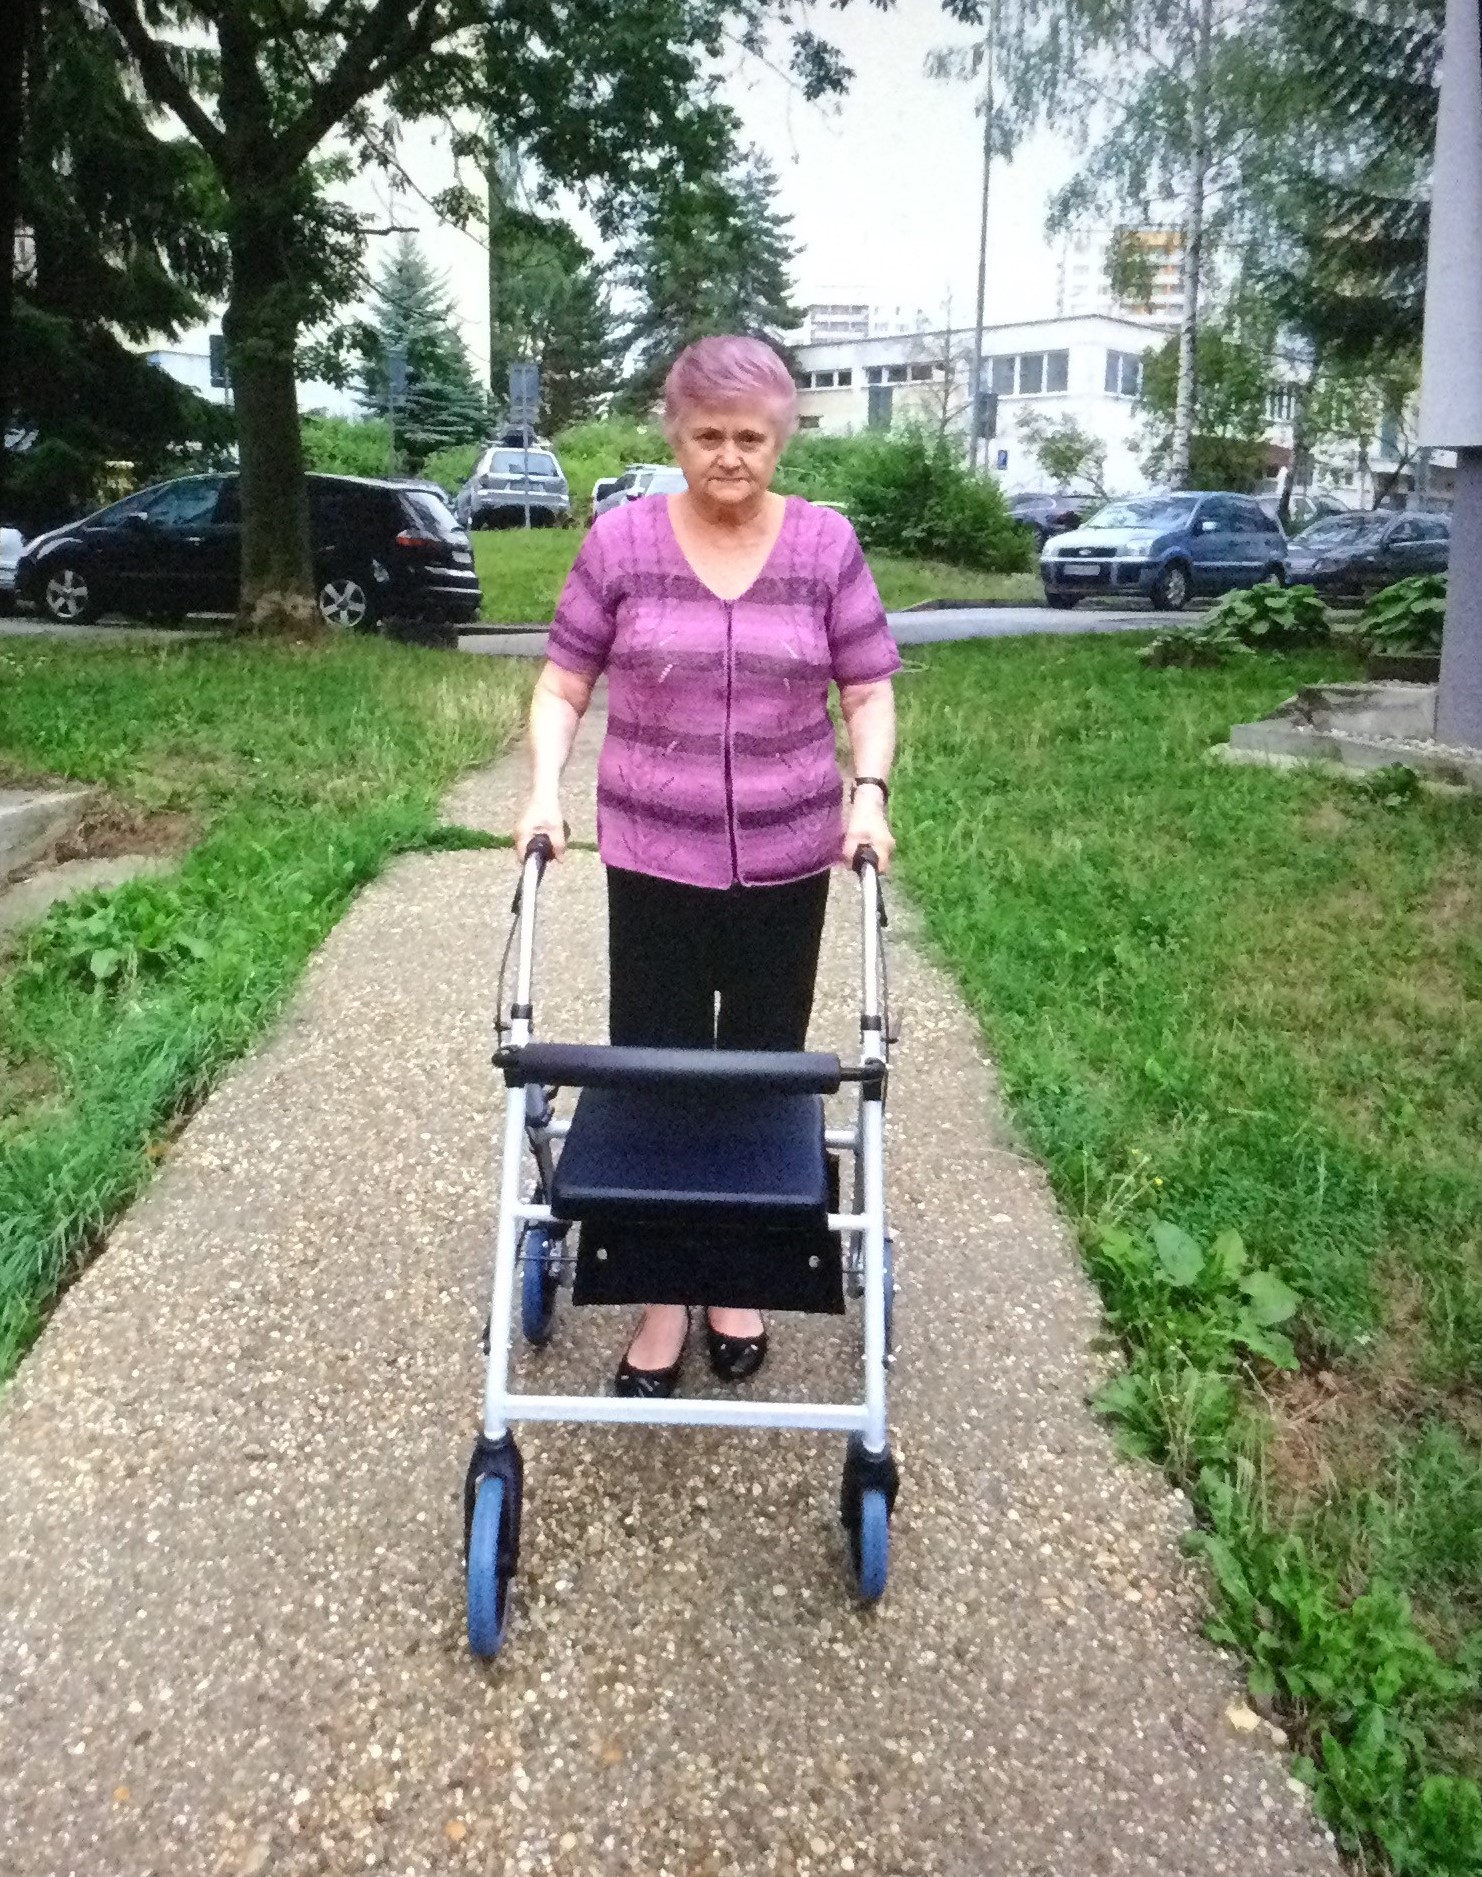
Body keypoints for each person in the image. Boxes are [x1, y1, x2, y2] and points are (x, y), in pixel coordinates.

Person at [514, 334, 900, 1397]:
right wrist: (544, 789)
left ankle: (736, 1279)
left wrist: (868, 794)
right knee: (659, 1075)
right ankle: (661, 1298)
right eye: (708, 436)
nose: (730, 456)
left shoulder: (824, 545)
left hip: (788, 855)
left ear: (782, 439)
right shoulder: (622, 542)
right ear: (674, 435)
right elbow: (562, 683)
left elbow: (868, 687)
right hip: (653, 857)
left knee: (762, 1071)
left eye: (752, 438)